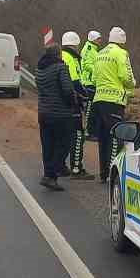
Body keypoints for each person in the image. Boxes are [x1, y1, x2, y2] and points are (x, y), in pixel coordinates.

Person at [90, 26, 135, 183]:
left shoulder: (100, 54)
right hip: (114, 102)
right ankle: (112, 173)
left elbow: (94, 78)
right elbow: (126, 76)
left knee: (103, 139)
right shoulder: (121, 53)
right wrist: (132, 85)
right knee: (116, 137)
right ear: (122, 40)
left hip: (98, 100)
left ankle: (103, 173)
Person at [35, 38, 80, 191]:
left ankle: (49, 173)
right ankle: (52, 174)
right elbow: (67, 90)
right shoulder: (61, 68)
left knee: (48, 145)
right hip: (60, 113)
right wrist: (74, 102)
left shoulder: (40, 69)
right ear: (58, 54)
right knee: (64, 144)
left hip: (44, 113)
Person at [59, 31, 92, 179]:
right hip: (71, 102)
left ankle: (59, 165)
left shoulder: (59, 55)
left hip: (59, 103)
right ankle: (77, 168)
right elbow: (74, 81)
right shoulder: (70, 58)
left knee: (63, 136)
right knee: (78, 135)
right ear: (74, 45)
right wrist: (84, 96)